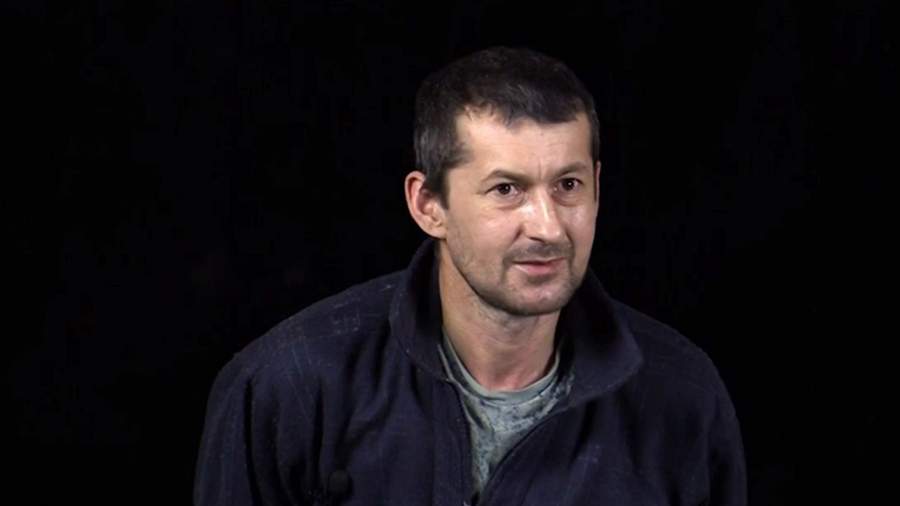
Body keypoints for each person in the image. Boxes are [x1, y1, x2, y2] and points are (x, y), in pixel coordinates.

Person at [194, 46, 747, 505]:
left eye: (568, 185)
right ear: (428, 205)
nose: (548, 226)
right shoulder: (289, 386)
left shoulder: (682, 399)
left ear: (597, 188)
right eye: (506, 189)